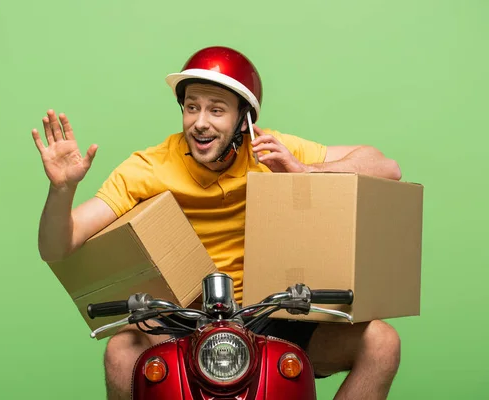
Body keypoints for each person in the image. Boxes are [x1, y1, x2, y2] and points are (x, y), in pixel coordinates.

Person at [32, 46, 403, 400]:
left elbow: (386, 167)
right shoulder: (149, 166)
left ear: (245, 119)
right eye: (191, 107)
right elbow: (57, 246)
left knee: (382, 343)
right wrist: (62, 190)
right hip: (184, 319)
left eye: (216, 110)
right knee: (120, 352)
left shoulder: (271, 151)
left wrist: (305, 170)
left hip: (273, 313)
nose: (200, 122)